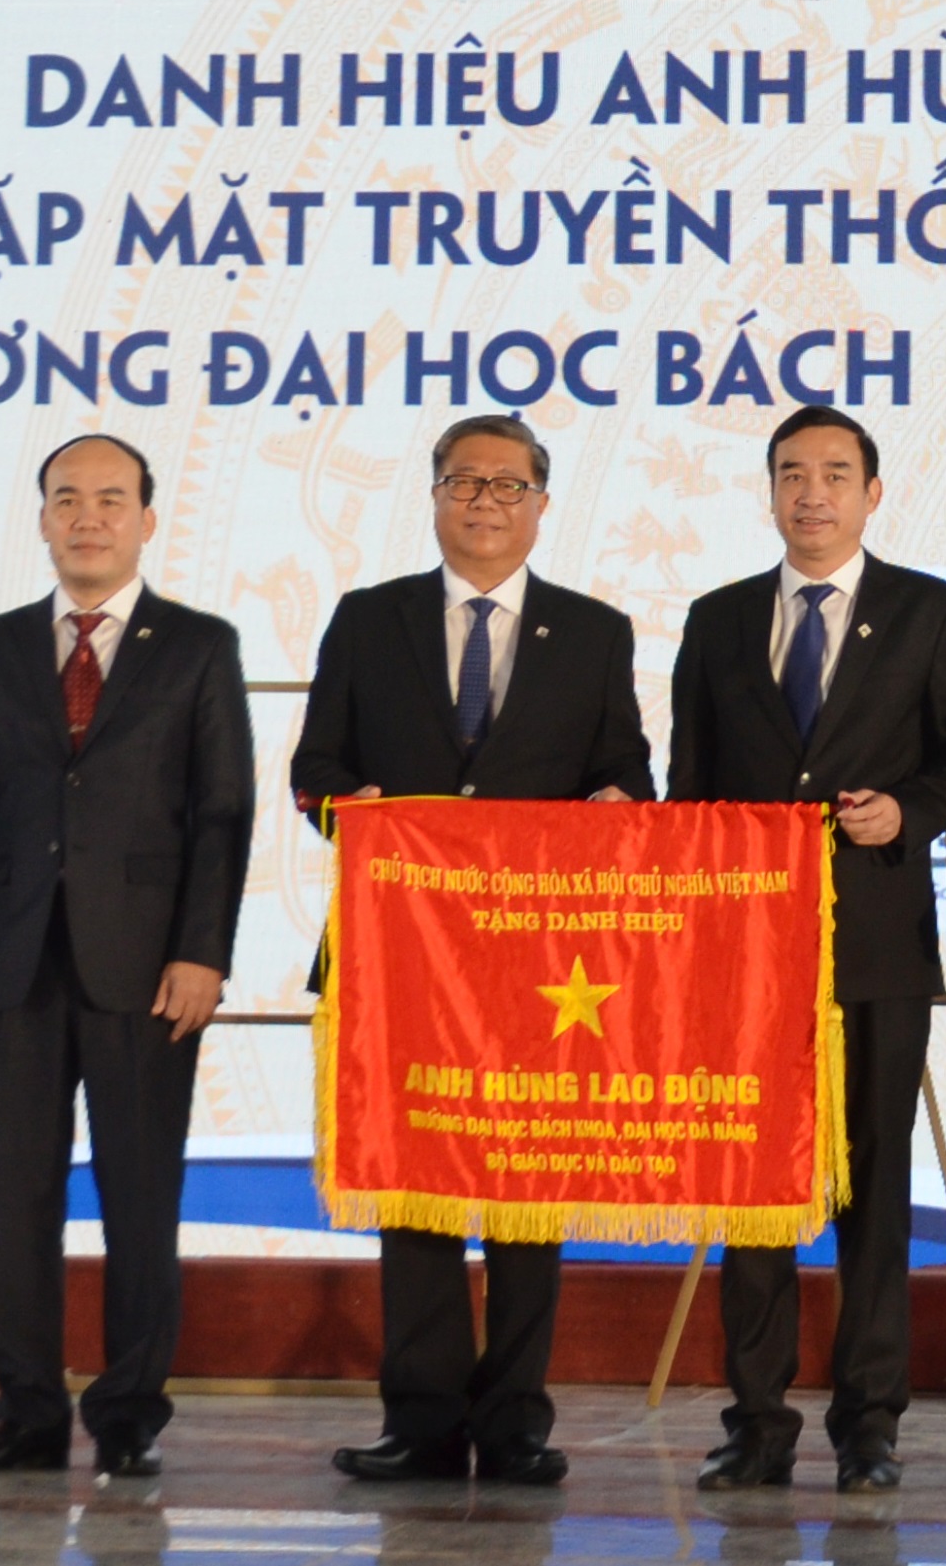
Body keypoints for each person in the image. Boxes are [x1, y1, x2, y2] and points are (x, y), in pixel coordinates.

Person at [292, 413, 654, 1487]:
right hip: (398, 949)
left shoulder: (594, 633)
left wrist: (618, 801)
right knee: (415, 1193)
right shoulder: (369, 620)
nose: (485, 501)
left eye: (508, 484)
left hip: (540, 965)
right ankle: (421, 1420)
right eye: (465, 482)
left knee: (528, 1192)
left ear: (543, 505)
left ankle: (514, 1422)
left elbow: (628, 771)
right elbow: (316, 766)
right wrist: (347, 810)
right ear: (436, 497)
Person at [668, 405, 946, 1492]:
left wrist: (906, 812)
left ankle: (871, 1423)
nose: (814, 492)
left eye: (836, 474)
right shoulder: (716, 621)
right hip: (746, 953)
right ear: (769, 493)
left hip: (875, 944)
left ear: (873, 493)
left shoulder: (927, 611)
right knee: (754, 1191)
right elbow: (690, 794)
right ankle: (756, 1421)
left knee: (874, 1186)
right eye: (793, 474)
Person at [0, 434, 255, 1479]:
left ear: (147, 520)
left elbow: (223, 815)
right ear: (42, 520)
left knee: (141, 1194)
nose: (89, 517)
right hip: (12, 965)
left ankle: (125, 1415)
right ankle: (24, 1410)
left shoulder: (200, 645)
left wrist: (203, 954)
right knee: (18, 1195)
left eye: (111, 499)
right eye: (67, 498)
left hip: (146, 970)